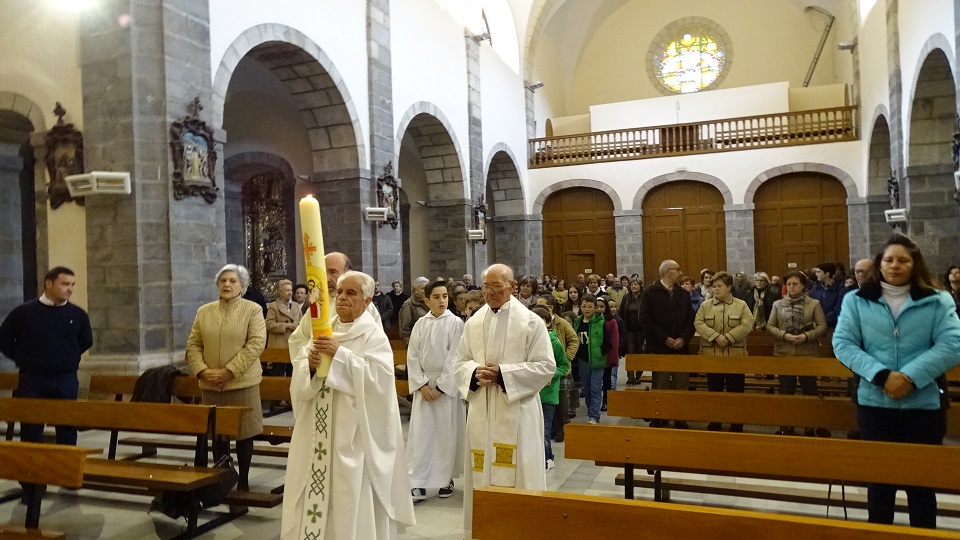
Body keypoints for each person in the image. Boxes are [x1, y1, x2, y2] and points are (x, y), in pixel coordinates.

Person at [833, 234, 960, 529]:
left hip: (924, 405)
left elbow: (952, 345)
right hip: (874, 403)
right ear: (880, 264)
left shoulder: (938, 300)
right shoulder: (857, 300)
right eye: (889, 259)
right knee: (880, 484)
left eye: (903, 259)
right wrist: (882, 376)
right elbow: (844, 343)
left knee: (921, 485)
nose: (895, 265)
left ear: (914, 264)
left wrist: (910, 378)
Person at [282, 271, 416, 539]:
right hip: (318, 435)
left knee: (350, 494)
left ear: (367, 301)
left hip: (353, 435)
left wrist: (338, 355)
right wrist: (307, 366)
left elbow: (379, 383)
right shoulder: (323, 330)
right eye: (339, 292)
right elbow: (301, 367)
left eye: (351, 293)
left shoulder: (373, 336)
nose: (342, 297)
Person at [452, 263, 555, 539]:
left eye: (497, 285)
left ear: (512, 286)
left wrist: (503, 375)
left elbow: (546, 367)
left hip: (517, 413)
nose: (490, 291)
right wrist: (473, 373)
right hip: (482, 413)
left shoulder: (531, 322)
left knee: (519, 475)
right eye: (486, 286)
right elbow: (458, 362)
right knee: (482, 475)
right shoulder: (473, 322)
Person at [186, 264, 266, 491]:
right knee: (217, 434)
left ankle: (243, 481)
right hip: (211, 384)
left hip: (242, 383)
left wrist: (229, 371)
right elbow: (193, 344)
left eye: (232, 281)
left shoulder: (252, 310)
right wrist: (202, 370)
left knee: (244, 434)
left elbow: (256, 344)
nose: (227, 285)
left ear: (242, 286)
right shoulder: (205, 311)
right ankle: (222, 477)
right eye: (223, 281)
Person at [0, 266, 92, 446]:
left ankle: (66, 470)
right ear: (48, 283)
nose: (70, 289)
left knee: (67, 427)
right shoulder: (24, 313)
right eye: (65, 284)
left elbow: (85, 341)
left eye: (72, 284)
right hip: (33, 378)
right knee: (31, 429)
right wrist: (24, 358)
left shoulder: (78, 314)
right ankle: (30, 472)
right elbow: (3, 339)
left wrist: (65, 357)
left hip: (65, 378)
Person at [406, 280, 465, 503]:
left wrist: (441, 387)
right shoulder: (421, 323)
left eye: (445, 296)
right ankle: (418, 482)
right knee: (421, 436)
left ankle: (445, 479)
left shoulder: (456, 323)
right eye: (437, 297)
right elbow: (412, 356)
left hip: (445, 390)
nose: (442, 301)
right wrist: (421, 384)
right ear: (427, 300)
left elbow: (455, 357)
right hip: (424, 389)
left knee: (445, 435)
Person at [766, 271, 828, 437]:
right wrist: (784, 335)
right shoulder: (778, 304)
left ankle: (810, 425)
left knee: (809, 391)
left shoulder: (813, 304)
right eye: (789, 284)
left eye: (795, 284)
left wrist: (806, 336)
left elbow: (822, 326)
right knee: (786, 391)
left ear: (802, 286)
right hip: (784, 352)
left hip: (808, 352)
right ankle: (787, 425)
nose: (792, 287)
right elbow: (770, 326)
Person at [694, 271, 754, 432]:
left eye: (719, 286)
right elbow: (698, 323)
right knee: (715, 391)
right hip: (712, 355)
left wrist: (728, 337)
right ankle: (716, 420)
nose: (716, 289)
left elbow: (748, 324)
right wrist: (714, 337)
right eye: (713, 286)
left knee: (735, 392)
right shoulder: (705, 306)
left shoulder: (741, 305)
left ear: (729, 287)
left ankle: (736, 421)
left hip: (735, 356)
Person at [638, 260, 695, 428]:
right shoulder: (650, 292)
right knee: (660, 385)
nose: (680, 272)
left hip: (680, 347)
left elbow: (691, 319)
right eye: (677, 269)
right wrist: (664, 338)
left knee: (681, 385)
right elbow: (644, 319)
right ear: (667, 271)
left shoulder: (683, 293)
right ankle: (659, 416)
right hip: (659, 347)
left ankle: (679, 417)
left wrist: (683, 338)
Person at [532, 305, 569, 471]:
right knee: (532, 430)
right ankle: (540, 457)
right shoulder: (527, 342)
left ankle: (547, 458)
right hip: (532, 394)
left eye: (541, 322)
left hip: (548, 394)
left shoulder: (555, 343)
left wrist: (550, 375)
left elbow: (563, 366)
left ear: (548, 323)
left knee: (544, 430)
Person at [573, 293, 609, 424]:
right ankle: (590, 410)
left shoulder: (601, 322)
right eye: (584, 306)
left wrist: (601, 352)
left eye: (590, 307)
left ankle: (594, 416)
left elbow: (608, 342)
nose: (587, 309)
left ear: (595, 308)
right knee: (586, 389)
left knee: (595, 388)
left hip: (597, 360)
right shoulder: (577, 322)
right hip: (583, 360)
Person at [596, 297, 620, 413]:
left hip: (607, 356)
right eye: (597, 306)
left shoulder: (611, 321)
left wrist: (612, 358)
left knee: (606, 380)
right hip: (594, 356)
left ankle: (606, 401)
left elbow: (614, 342)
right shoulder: (591, 320)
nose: (599, 309)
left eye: (602, 307)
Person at [619, 278, 644, 385]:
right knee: (630, 353)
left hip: (641, 331)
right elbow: (621, 312)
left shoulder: (644, 297)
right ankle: (630, 376)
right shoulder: (626, 297)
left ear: (640, 286)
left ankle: (638, 376)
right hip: (629, 330)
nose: (633, 286)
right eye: (632, 285)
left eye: (636, 284)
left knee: (640, 354)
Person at [810, 262, 843, 328]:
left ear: (827, 274)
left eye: (819, 272)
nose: (816, 274)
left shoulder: (840, 288)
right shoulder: (816, 288)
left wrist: (825, 320)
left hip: (834, 325)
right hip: (818, 325)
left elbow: (838, 307)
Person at [399, 277, 430, 345]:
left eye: (428, 288)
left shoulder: (431, 302)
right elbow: (404, 329)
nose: (426, 291)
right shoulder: (409, 304)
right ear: (415, 290)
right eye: (423, 288)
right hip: (418, 344)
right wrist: (412, 346)